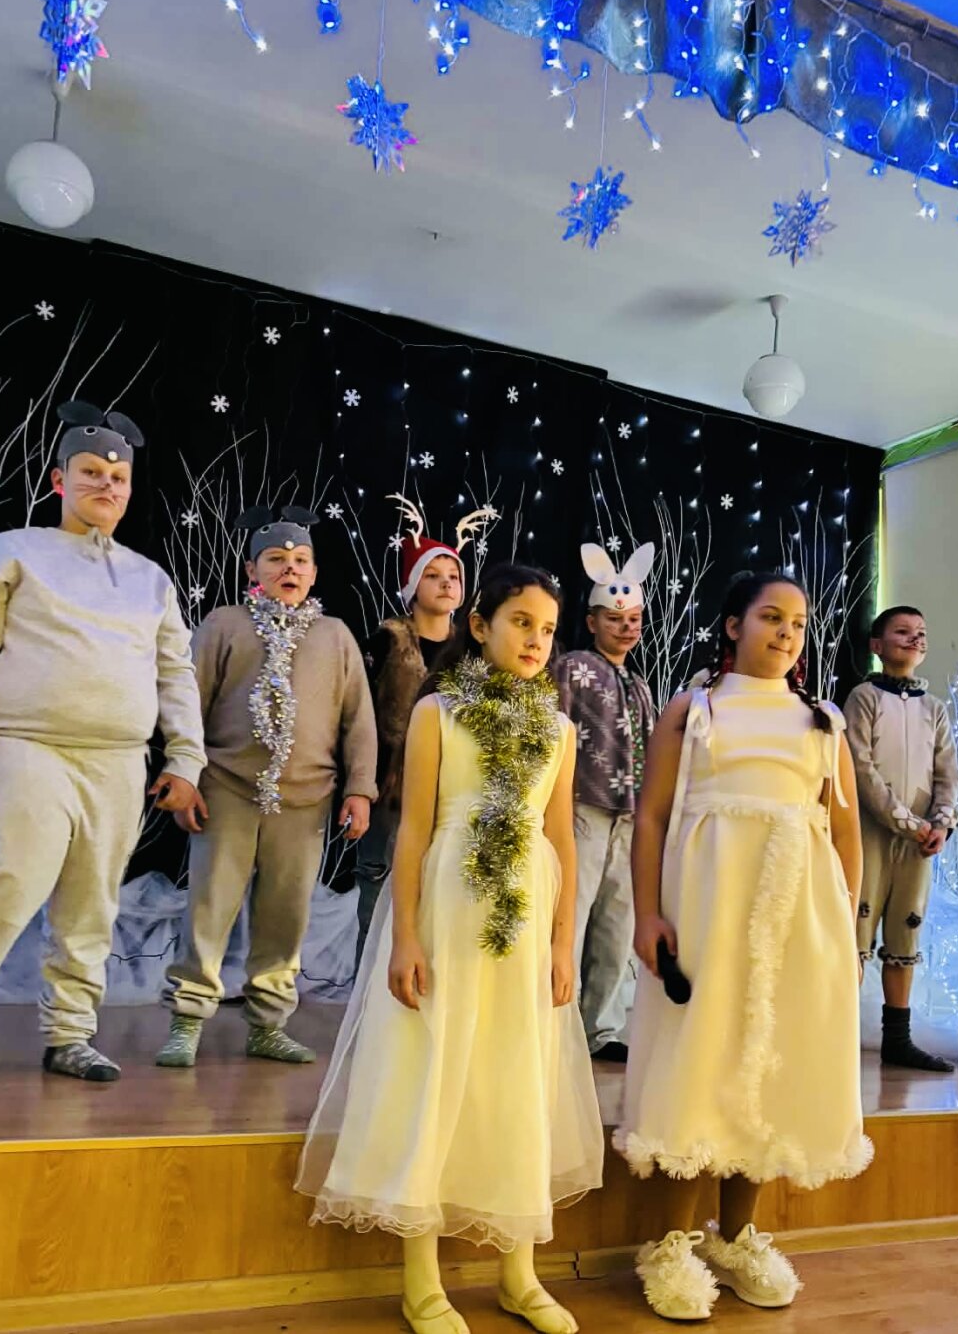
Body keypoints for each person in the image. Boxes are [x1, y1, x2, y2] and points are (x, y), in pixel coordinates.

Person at [297, 563, 603, 1334]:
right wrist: (404, 934)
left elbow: (561, 839)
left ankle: (518, 1272)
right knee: (431, 1077)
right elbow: (415, 830)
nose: (534, 640)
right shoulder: (440, 712)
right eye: (520, 622)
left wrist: (563, 942)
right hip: (450, 912)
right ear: (479, 625)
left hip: (524, 922)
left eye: (546, 629)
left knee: (517, 1080)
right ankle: (421, 1280)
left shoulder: (559, 730)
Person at [0, 402, 205, 1085]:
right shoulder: (10, 552)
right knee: (5, 888)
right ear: (59, 480)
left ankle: (70, 1033)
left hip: (119, 761)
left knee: (92, 904)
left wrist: (186, 758)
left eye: (119, 477)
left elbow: (176, 674)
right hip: (31, 748)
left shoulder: (150, 580)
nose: (106, 484)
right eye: (91, 472)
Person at [616, 572, 871, 1318]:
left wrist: (846, 928)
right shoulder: (693, 710)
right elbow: (652, 816)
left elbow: (844, 831)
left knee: (767, 1066)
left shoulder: (822, 722)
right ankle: (670, 1242)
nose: (786, 632)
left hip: (797, 915)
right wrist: (648, 914)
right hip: (708, 909)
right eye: (770, 616)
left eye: (798, 622)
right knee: (701, 1055)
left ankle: (736, 1236)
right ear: (733, 625)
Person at [157, 505, 378, 1067]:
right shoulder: (224, 625)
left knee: (287, 914)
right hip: (226, 791)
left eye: (301, 561)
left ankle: (268, 1023)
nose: (290, 569)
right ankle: (187, 1018)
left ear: (315, 572)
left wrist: (360, 789)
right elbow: (188, 706)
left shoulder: (334, 636)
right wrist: (186, 779)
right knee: (209, 907)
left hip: (305, 801)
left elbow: (359, 719)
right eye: (276, 559)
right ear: (253, 569)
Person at [353, 495, 494, 969]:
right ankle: (368, 987)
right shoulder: (388, 640)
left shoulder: (473, 651)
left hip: (451, 789)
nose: (446, 583)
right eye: (433, 575)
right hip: (391, 787)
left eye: (453, 575)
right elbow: (361, 712)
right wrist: (362, 783)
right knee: (380, 884)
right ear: (413, 586)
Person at [552, 542, 656, 1063]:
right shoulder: (572, 668)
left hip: (630, 815)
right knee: (570, 914)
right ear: (592, 620)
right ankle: (557, 1020)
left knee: (618, 924)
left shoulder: (639, 683)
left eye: (634, 618)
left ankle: (603, 1027)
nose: (626, 626)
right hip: (582, 807)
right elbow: (554, 731)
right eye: (615, 618)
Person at [844, 605, 958, 1072]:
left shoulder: (934, 708)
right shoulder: (864, 698)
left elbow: (948, 772)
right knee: (857, 928)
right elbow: (860, 768)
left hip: (919, 843)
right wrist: (908, 822)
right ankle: (837, 1039)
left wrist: (941, 822)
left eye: (921, 632)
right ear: (877, 645)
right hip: (870, 834)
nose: (915, 639)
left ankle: (897, 1039)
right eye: (903, 632)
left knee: (906, 928)